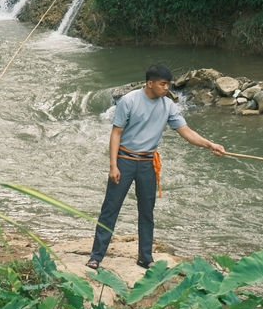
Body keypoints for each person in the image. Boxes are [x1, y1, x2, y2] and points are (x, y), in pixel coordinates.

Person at [86, 63, 225, 270]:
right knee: (110, 208)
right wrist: (113, 165)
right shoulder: (129, 100)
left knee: (146, 212)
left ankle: (145, 257)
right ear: (149, 83)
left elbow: (186, 132)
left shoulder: (168, 105)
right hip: (124, 160)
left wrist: (210, 145)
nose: (166, 88)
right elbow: (116, 133)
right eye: (162, 84)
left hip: (148, 163)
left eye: (168, 84)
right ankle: (96, 256)